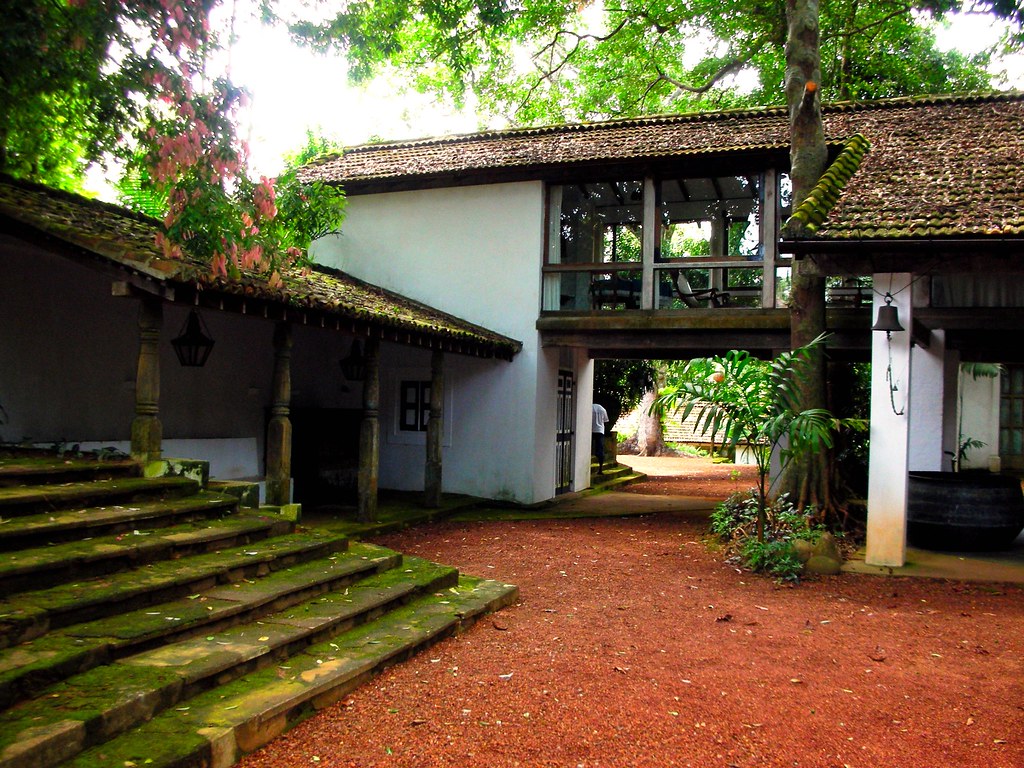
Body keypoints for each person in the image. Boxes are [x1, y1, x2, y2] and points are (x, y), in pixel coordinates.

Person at [592, 401, 609, 474]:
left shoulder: (590, 408)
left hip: (591, 430)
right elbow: (605, 420)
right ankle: (600, 469)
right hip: (600, 431)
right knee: (600, 450)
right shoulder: (603, 409)